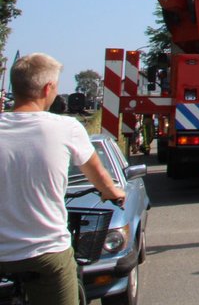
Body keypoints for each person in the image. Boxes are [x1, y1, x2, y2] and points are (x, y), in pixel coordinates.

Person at [0, 53, 125, 305]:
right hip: (46, 253)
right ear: (48, 88)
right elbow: (99, 174)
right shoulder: (66, 128)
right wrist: (112, 192)